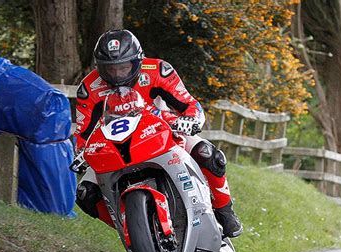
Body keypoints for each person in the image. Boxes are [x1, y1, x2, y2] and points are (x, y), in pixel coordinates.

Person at [74, 29, 242, 238]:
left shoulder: (158, 70)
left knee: (208, 155)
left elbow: (190, 104)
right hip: (114, 146)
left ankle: (225, 211)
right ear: (99, 67)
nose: (117, 74)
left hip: (164, 131)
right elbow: (83, 134)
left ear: (137, 61)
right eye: (109, 69)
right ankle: (133, 232)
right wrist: (81, 153)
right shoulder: (89, 88)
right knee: (85, 194)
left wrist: (191, 121)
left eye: (123, 67)